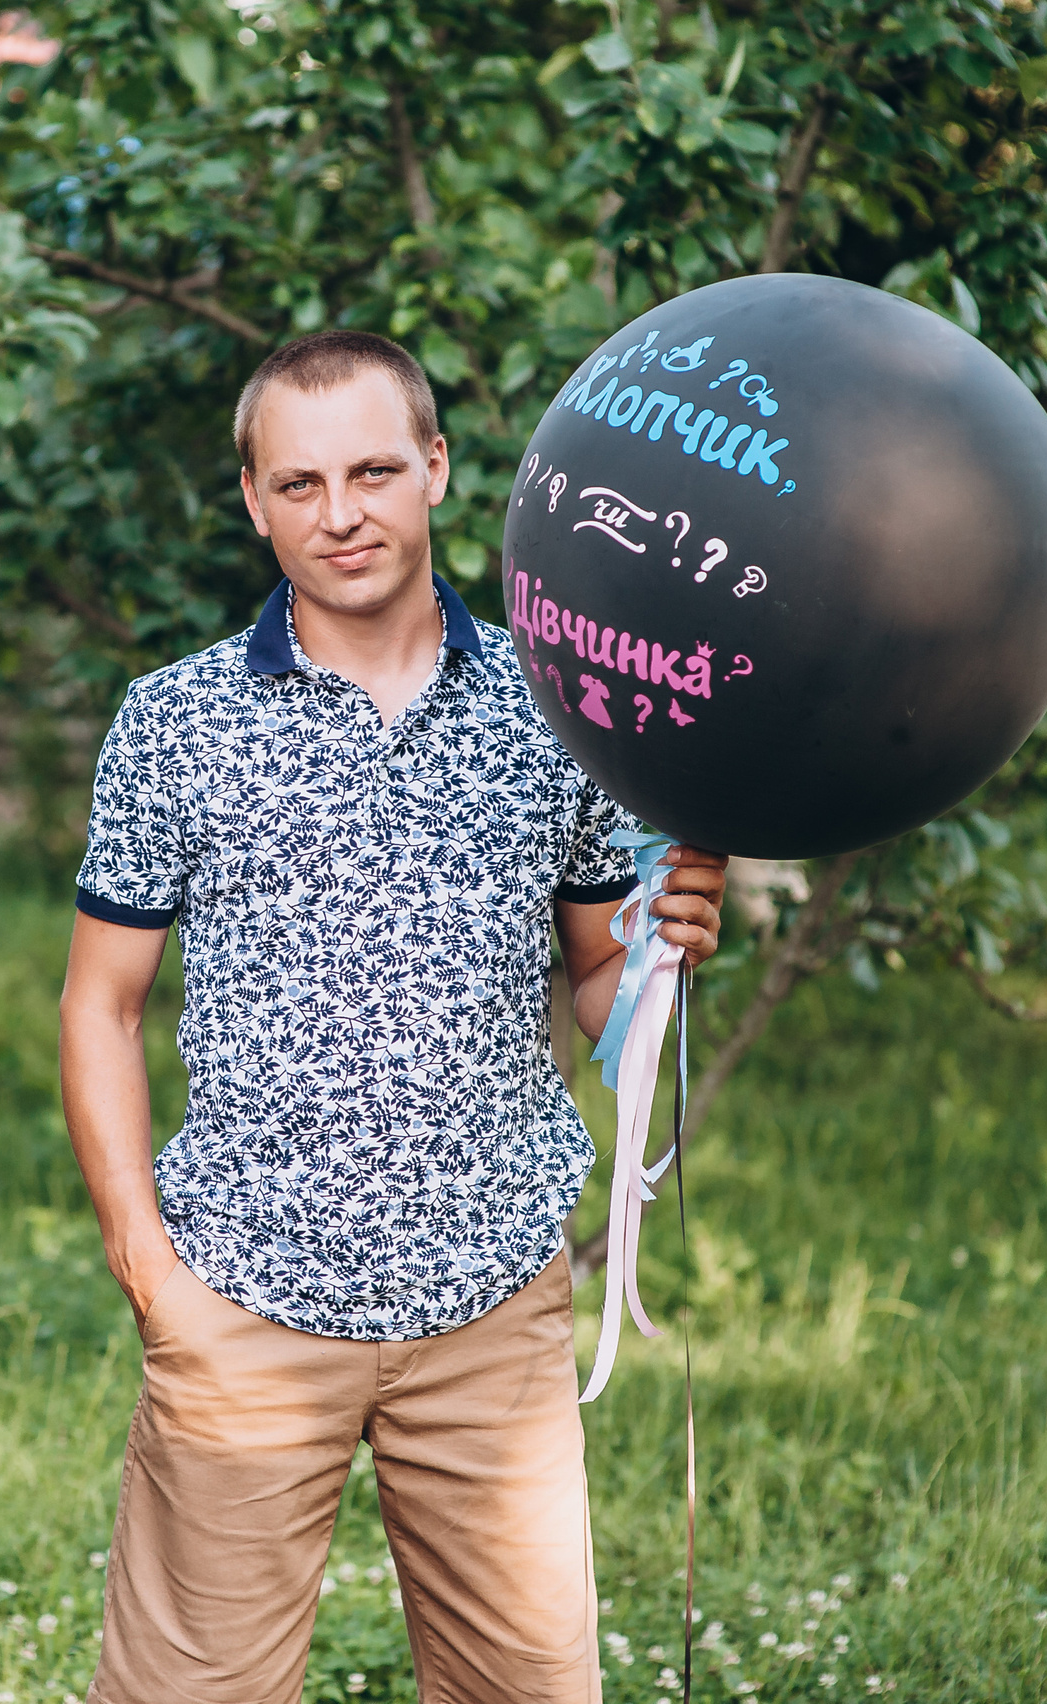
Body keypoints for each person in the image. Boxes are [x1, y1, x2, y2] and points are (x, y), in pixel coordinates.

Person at [57, 329, 728, 1704]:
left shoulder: (561, 710)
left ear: (436, 467)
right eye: (298, 484)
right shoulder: (175, 722)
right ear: (255, 503)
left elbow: (593, 981)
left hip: (493, 1301)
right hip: (242, 1296)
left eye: (371, 471)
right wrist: (147, 1268)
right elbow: (99, 1005)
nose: (341, 513)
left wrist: (662, 959)